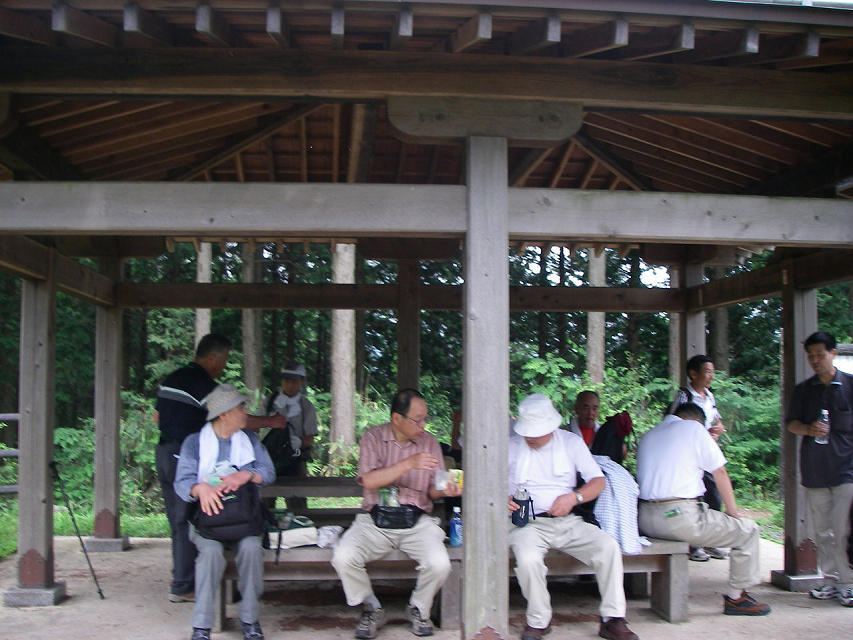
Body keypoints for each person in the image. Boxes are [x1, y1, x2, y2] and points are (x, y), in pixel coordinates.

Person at [155, 334, 284, 603]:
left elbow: (157, 416)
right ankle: (186, 585)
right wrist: (270, 421)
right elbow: (233, 420)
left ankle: (181, 579)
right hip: (186, 454)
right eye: (224, 359)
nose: (224, 365)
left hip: (164, 452)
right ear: (213, 357)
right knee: (193, 517)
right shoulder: (203, 384)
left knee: (177, 520)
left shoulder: (173, 378)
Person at [331, 388, 461, 639]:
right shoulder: (373, 438)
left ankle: (418, 608)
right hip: (376, 520)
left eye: (425, 419)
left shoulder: (430, 443)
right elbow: (369, 480)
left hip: (417, 521)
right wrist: (409, 463)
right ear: (396, 419)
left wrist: (445, 489)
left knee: (440, 563)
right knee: (343, 557)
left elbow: (434, 490)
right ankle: (371, 607)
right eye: (417, 420)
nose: (423, 425)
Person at [508, 393, 639, 640]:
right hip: (527, 523)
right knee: (528, 559)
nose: (530, 437)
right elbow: (488, 482)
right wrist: (503, 498)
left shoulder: (571, 443)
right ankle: (538, 620)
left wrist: (574, 498)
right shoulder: (511, 446)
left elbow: (598, 481)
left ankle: (612, 619)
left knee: (608, 547)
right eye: (527, 432)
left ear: (550, 427)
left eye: (536, 432)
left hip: (568, 521)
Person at [636, 402, 770, 616]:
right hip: (678, 518)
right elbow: (720, 472)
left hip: (645, 519)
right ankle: (737, 599)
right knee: (747, 530)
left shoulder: (650, 434)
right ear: (697, 421)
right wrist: (733, 513)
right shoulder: (693, 428)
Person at [174, 384, 276, 640]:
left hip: (244, 520)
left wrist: (247, 474)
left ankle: (250, 620)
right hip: (208, 523)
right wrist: (200, 488)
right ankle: (202, 626)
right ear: (224, 414)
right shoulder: (195, 443)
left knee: (252, 549)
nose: (245, 412)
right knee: (210, 554)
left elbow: (268, 473)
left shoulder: (250, 440)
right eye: (241, 407)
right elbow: (182, 483)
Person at [785, 331, 853, 607]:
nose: (815, 360)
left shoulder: (849, 385)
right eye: (810, 355)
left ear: (833, 353)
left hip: (847, 469)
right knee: (823, 529)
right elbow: (791, 424)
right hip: (814, 469)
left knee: (844, 528)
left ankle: (848, 582)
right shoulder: (804, 390)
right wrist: (808, 429)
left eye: (820, 354)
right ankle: (829, 580)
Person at [668, 354, 729, 562]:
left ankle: (711, 540)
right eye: (707, 372)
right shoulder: (684, 396)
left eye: (712, 372)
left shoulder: (710, 396)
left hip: (706, 452)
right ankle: (694, 545)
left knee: (713, 496)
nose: (711, 376)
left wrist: (717, 429)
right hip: (687, 455)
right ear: (693, 374)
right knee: (692, 497)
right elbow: (673, 422)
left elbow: (717, 420)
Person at [264, 361, 319, 510]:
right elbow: (259, 427)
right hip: (269, 459)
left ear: (302, 381)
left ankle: (300, 523)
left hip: (295, 460)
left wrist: (296, 442)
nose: (289, 384)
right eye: (286, 380)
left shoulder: (306, 406)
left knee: (297, 503)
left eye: (294, 381)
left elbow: (310, 439)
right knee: (265, 501)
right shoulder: (269, 402)